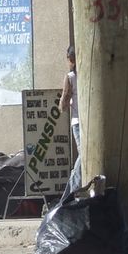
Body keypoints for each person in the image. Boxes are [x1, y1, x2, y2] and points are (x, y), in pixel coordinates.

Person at [59, 45, 82, 196]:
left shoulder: (70, 77)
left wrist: (63, 104)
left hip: (77, 122)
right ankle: (71, 191)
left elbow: (64, 103)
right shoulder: (87, 75)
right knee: (82, 157)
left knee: (83, 157)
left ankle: (71, 191)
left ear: (70, 59)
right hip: (86, 122)